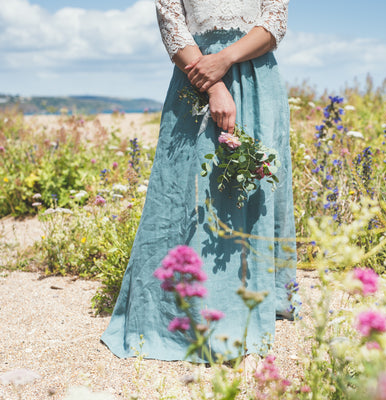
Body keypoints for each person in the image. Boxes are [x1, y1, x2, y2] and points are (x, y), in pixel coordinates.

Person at [100, 0, 296, 363]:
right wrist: (215, 85)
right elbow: (172, 24)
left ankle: (256, 299)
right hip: (197, 78)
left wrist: (225, 58)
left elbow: (275, 22)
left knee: (254, 185)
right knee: (187, 192)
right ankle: (188, 311)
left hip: (257, 79)